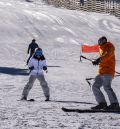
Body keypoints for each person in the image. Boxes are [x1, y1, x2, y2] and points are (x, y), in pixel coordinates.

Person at [91, 36, 119, 110]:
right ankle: (102, 103)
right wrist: (96, 61)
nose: (99, 43)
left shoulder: (110, 46)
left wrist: (99, 59)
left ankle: (115, 104)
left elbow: (107, 55)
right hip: (102, 72)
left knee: (106, 87)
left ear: (104, 41)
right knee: (95, 86)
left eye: (100, 41)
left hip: (108, 71)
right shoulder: (101, 49)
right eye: (99, 41)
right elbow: (103, 58)